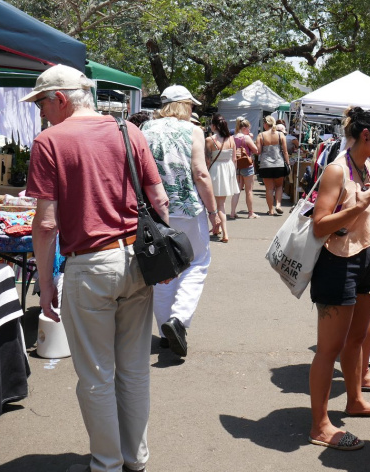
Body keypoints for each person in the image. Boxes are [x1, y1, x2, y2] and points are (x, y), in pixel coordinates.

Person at [25, 64, 170, 472]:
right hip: (137, 259)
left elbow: (47, 222)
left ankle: (105, 464)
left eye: (41, 103)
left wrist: (46, 280)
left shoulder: (50, 141)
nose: (40, 112)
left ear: (61, 99)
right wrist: (166, 254)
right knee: (134, 369)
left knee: (95, 373)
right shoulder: (129, 131)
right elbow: (159, 201)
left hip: (90, 265)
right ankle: (134, 459)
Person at [308, 107, 370, 451]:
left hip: (365, 260)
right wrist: (356, 207)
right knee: (328, 348)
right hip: (337, 263)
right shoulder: (336, 170)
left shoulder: (369, 167)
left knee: (358, 339)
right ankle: (319, 425)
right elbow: (319, 225)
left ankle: (355, 399)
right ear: (365, 136)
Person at [142, 85, 221, 358]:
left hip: (154, 211)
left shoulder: (145, 129)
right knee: (196, 263)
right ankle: (179, 320)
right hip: (187, 208)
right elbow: (200, 172)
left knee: (163, 271)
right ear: (185, 105)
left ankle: (165, 332)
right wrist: (214, 212)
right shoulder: (193, 131)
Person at [205, 114, 239, 242]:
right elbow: (234, 159)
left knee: (212, 205)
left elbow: (207, 161)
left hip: (215, 171)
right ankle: (220, 231)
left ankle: (220, 229)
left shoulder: (210, 140)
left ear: (214, 126)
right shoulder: (231, 139)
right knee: (221, 205)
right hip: (227, 170)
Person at [257, 114, 291, 215]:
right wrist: (288, 163)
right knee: (279, 186)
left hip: (266, 165)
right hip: (279, 163)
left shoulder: (261, 135)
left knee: (269, 188)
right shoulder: (281, 135)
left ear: (266, 124)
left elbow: (258, 152)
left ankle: (271, 210)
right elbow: (285, 152)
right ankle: (278, 205)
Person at [230, 117, 259, 219]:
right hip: (247, 165)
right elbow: (256, 150)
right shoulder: (246, 138)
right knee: (249, 190)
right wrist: (251, 139)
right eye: (248, 128)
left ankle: (232, 212)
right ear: (244, 128)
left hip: (236, 165)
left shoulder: (232, 137)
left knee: (237, 190)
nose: (249, 131)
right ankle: (251, 213)